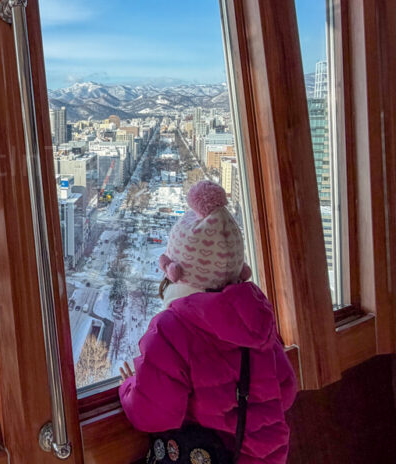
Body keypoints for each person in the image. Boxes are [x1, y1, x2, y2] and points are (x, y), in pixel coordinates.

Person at [118, 180, 297, 464]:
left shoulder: (172, 329)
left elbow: (152, 413)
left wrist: (129, 386)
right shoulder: (259, 322)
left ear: (175, 273)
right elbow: (285, 392)